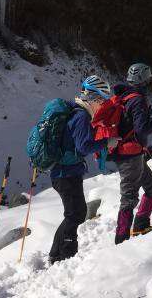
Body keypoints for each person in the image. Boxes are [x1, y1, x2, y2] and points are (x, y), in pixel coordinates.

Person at [48, 74, 111, 264]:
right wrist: (107, 142)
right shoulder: (82, 116)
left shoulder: (76, 113)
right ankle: (67, 257)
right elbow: (84, 147)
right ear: (93, 98)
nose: (102, 104)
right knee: (76, 214)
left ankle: (55, 254)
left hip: (65, 172)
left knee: (73, 213)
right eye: (101, 100)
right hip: (66, 173)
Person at [109, 63, 152, 245]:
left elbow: (132, 123)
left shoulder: (125, 96)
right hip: (129, 156)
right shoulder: (138, 100)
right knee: (129, 197)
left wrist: (151, 114)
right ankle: (121, 239)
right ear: (143, 79)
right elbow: (142, 129)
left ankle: (140, 225)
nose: (151, 81)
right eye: (149, 78)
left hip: (131, 154)